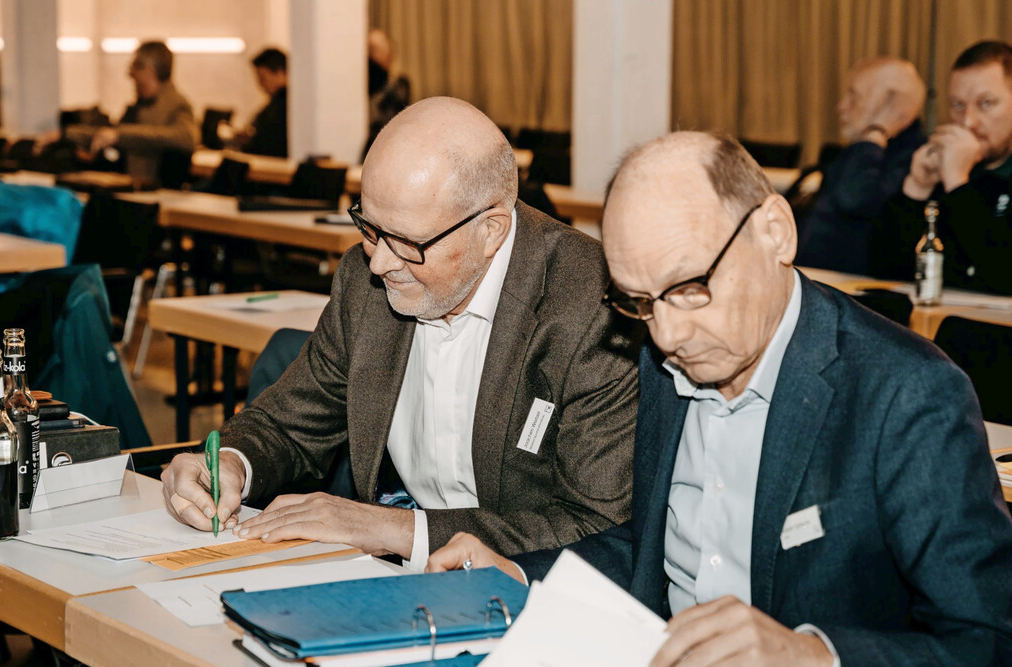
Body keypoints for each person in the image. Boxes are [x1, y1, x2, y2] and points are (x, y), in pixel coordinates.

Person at [427, 131, 1012, 667]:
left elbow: (1000, 664)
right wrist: (521, 571)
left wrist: (811, 662)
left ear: (775, 232)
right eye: (639, 301)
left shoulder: (905, 395)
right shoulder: (664, 359)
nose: (667, 334)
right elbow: (647, 553)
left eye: (690, 287)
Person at [161, 97, 639, 570]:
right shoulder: (362, 282)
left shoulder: (591, 308)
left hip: (531, 599)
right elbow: (291, 420)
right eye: (369, 228)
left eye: (408, 243)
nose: (379, 262)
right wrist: (229, 463)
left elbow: (596, 525)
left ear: (491, 229)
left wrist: (391, 528)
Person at [878, 40, 1012, 295]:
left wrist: (957, 182)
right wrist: (916, 189)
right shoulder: (949, 156)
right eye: (958, 105)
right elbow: (886, 269)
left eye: (986, 103)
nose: (968, 122)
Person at [795, 57, 926, 275]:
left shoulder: (915, 158)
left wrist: (876, 131)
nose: (841, 106)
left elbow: (854, 198)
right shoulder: (862, 150)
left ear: (893, 105)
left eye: (854, 96)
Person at [49, 41, 199, 187]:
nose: (130, 73)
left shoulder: (177, 105)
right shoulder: (140, 107)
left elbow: (186, 137)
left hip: (152, 190)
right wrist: (65, 135)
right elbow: (108, 134)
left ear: (148, 70)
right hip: (127, 184)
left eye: (134, 66)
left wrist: (120, 136)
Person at [364, 28, 411, 157]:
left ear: (388, 54)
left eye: (374, 50)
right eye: (367, 50)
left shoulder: (398, 87)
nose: (369, 56)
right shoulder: (362, 87)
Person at [237, 47, 288, 158]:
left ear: (280, 73)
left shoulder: (284, 106)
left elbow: (267, 142)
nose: (260, 84)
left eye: (262, 78)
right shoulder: (277, 103)